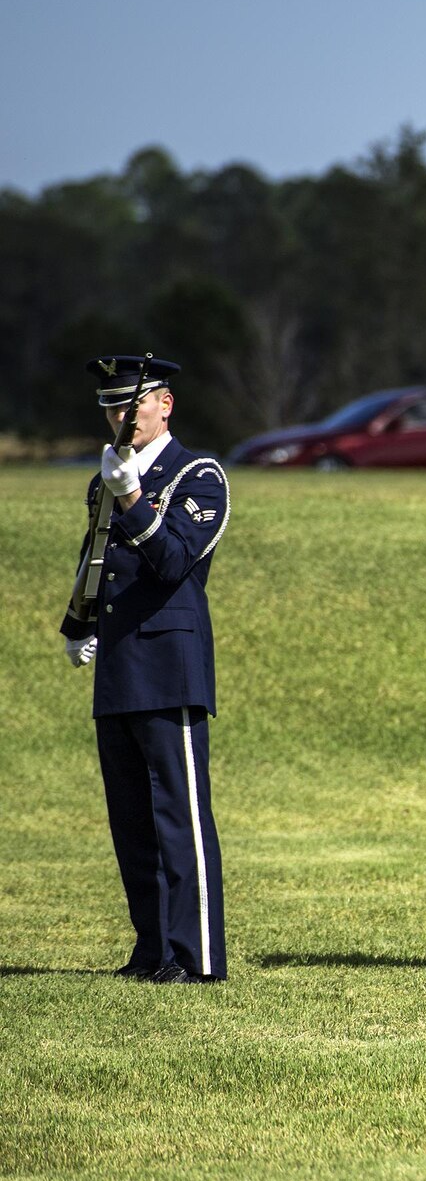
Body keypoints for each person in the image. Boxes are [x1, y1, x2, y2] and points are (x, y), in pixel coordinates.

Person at [60, 355, 231, 983]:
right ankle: (152, 949)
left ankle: (198, 956)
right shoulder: (105, 475)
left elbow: (172, 561)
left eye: (131, 404)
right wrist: (78, 625)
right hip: (120, 662)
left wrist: (132, 495)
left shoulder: (199, 473)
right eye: (111, 406)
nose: (121, 416)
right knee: (131, 818)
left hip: (168, 660)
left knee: (178, 815)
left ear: (165, 405)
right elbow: (96, 558)